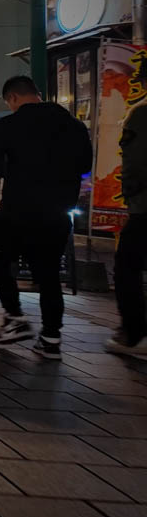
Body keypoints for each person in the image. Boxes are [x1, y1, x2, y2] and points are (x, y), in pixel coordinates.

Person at [0, 75, 92, 359]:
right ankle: (51, 339)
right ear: (37, 94)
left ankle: (15, 317)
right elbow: (85, 166)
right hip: (56, 214)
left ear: (13, 98)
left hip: (19, 211)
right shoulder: (74, 126)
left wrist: (15, 170)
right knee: (49, 275)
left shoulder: (9, 125)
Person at [108, 101, 147, 355]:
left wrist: (130, 190)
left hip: (146, 209)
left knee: (126, 267)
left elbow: (136, 159)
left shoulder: (142, 113)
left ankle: (134, 335)